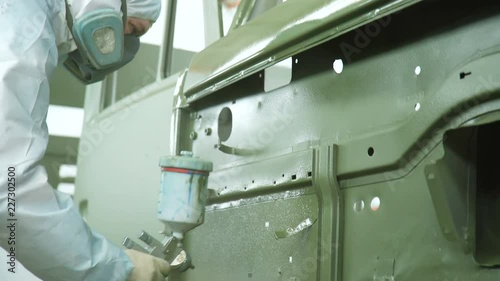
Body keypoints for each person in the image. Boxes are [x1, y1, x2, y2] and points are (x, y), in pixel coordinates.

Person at [0, 0, 170, 280]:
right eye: (132, 29)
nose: (123, 47)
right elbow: (9, 189)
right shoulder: (26, 28)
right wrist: (117, 269)